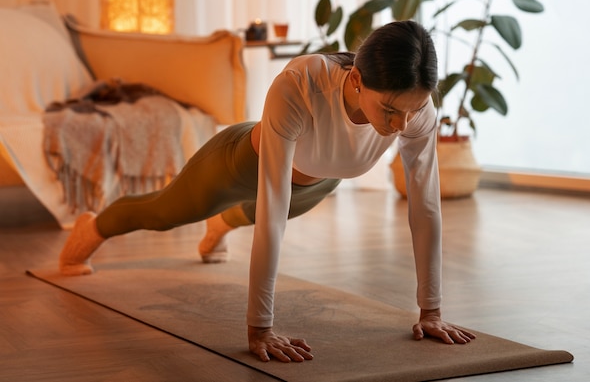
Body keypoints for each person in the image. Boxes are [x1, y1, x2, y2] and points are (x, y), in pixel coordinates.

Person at [59, 20, 476, 363]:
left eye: (414, 110)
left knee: (255, 213)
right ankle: (93, 227)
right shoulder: (301, 82)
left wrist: (432, 311)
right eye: (389, 111)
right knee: (163, 213)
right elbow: (272, 205)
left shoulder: (416, 110)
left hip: (318, 181)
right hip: (238, 165)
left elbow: (425, 208)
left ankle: (220, 225)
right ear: (356, 80)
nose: (402, 125)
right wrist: (260, 326)